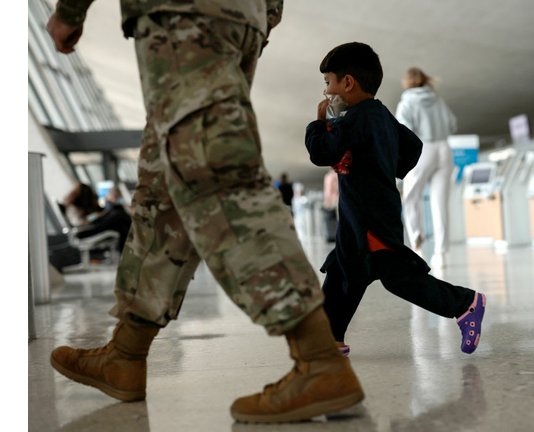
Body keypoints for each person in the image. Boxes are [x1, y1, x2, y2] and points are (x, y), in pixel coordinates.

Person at [45, 0, 363, 423]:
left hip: (183, 13)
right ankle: (126, 352)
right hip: (232, 15)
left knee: (216, 175)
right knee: (164, 190)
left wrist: (69, 11)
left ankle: (319, 359)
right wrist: (264, 15)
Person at [304, 42, 486, 357]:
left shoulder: (357, 118)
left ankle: (464, 303)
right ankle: (329, 338)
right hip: (362, 215)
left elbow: (321, 152)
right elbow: (413, 146)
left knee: (397, 277)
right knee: (342, 272)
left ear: (347, 83)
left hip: (368, 218)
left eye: (328, 82)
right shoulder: (378, 114)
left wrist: (318, 124)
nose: (326, 91)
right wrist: (386, 166)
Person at [395, 67, 458, 269]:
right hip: (444, 148)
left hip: (422, 149)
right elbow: (452, 124)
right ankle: (441, 254)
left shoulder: (407, 102)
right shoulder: (438, 100)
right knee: (440, 203)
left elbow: (404, 131)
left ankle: (417, 247)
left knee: (411, 198)